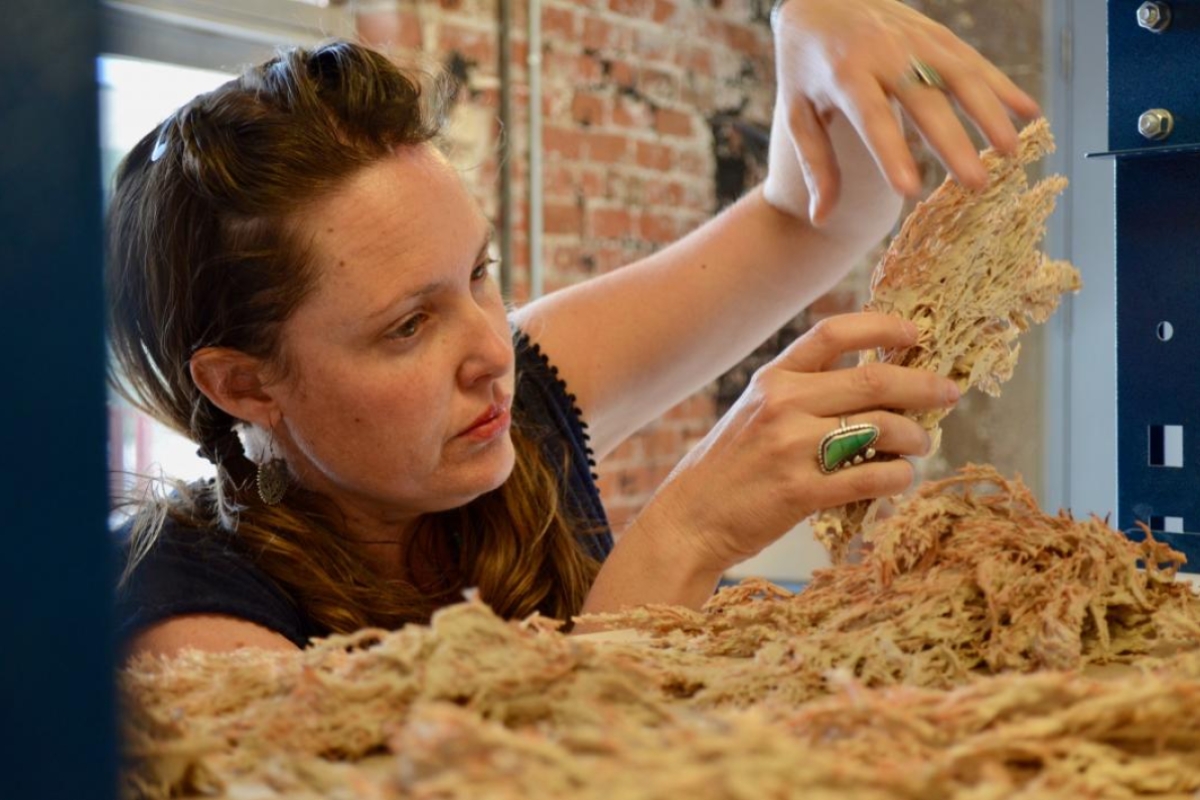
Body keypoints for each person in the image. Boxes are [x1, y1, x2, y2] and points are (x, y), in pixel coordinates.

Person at [109, 0, 1040, 656]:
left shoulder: (516, 399)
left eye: (479, 272)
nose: (488, 352)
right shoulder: (186, 627)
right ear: (243, 384)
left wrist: (812, 38)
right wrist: (685, 538)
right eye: (406, 327)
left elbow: (810, 221)